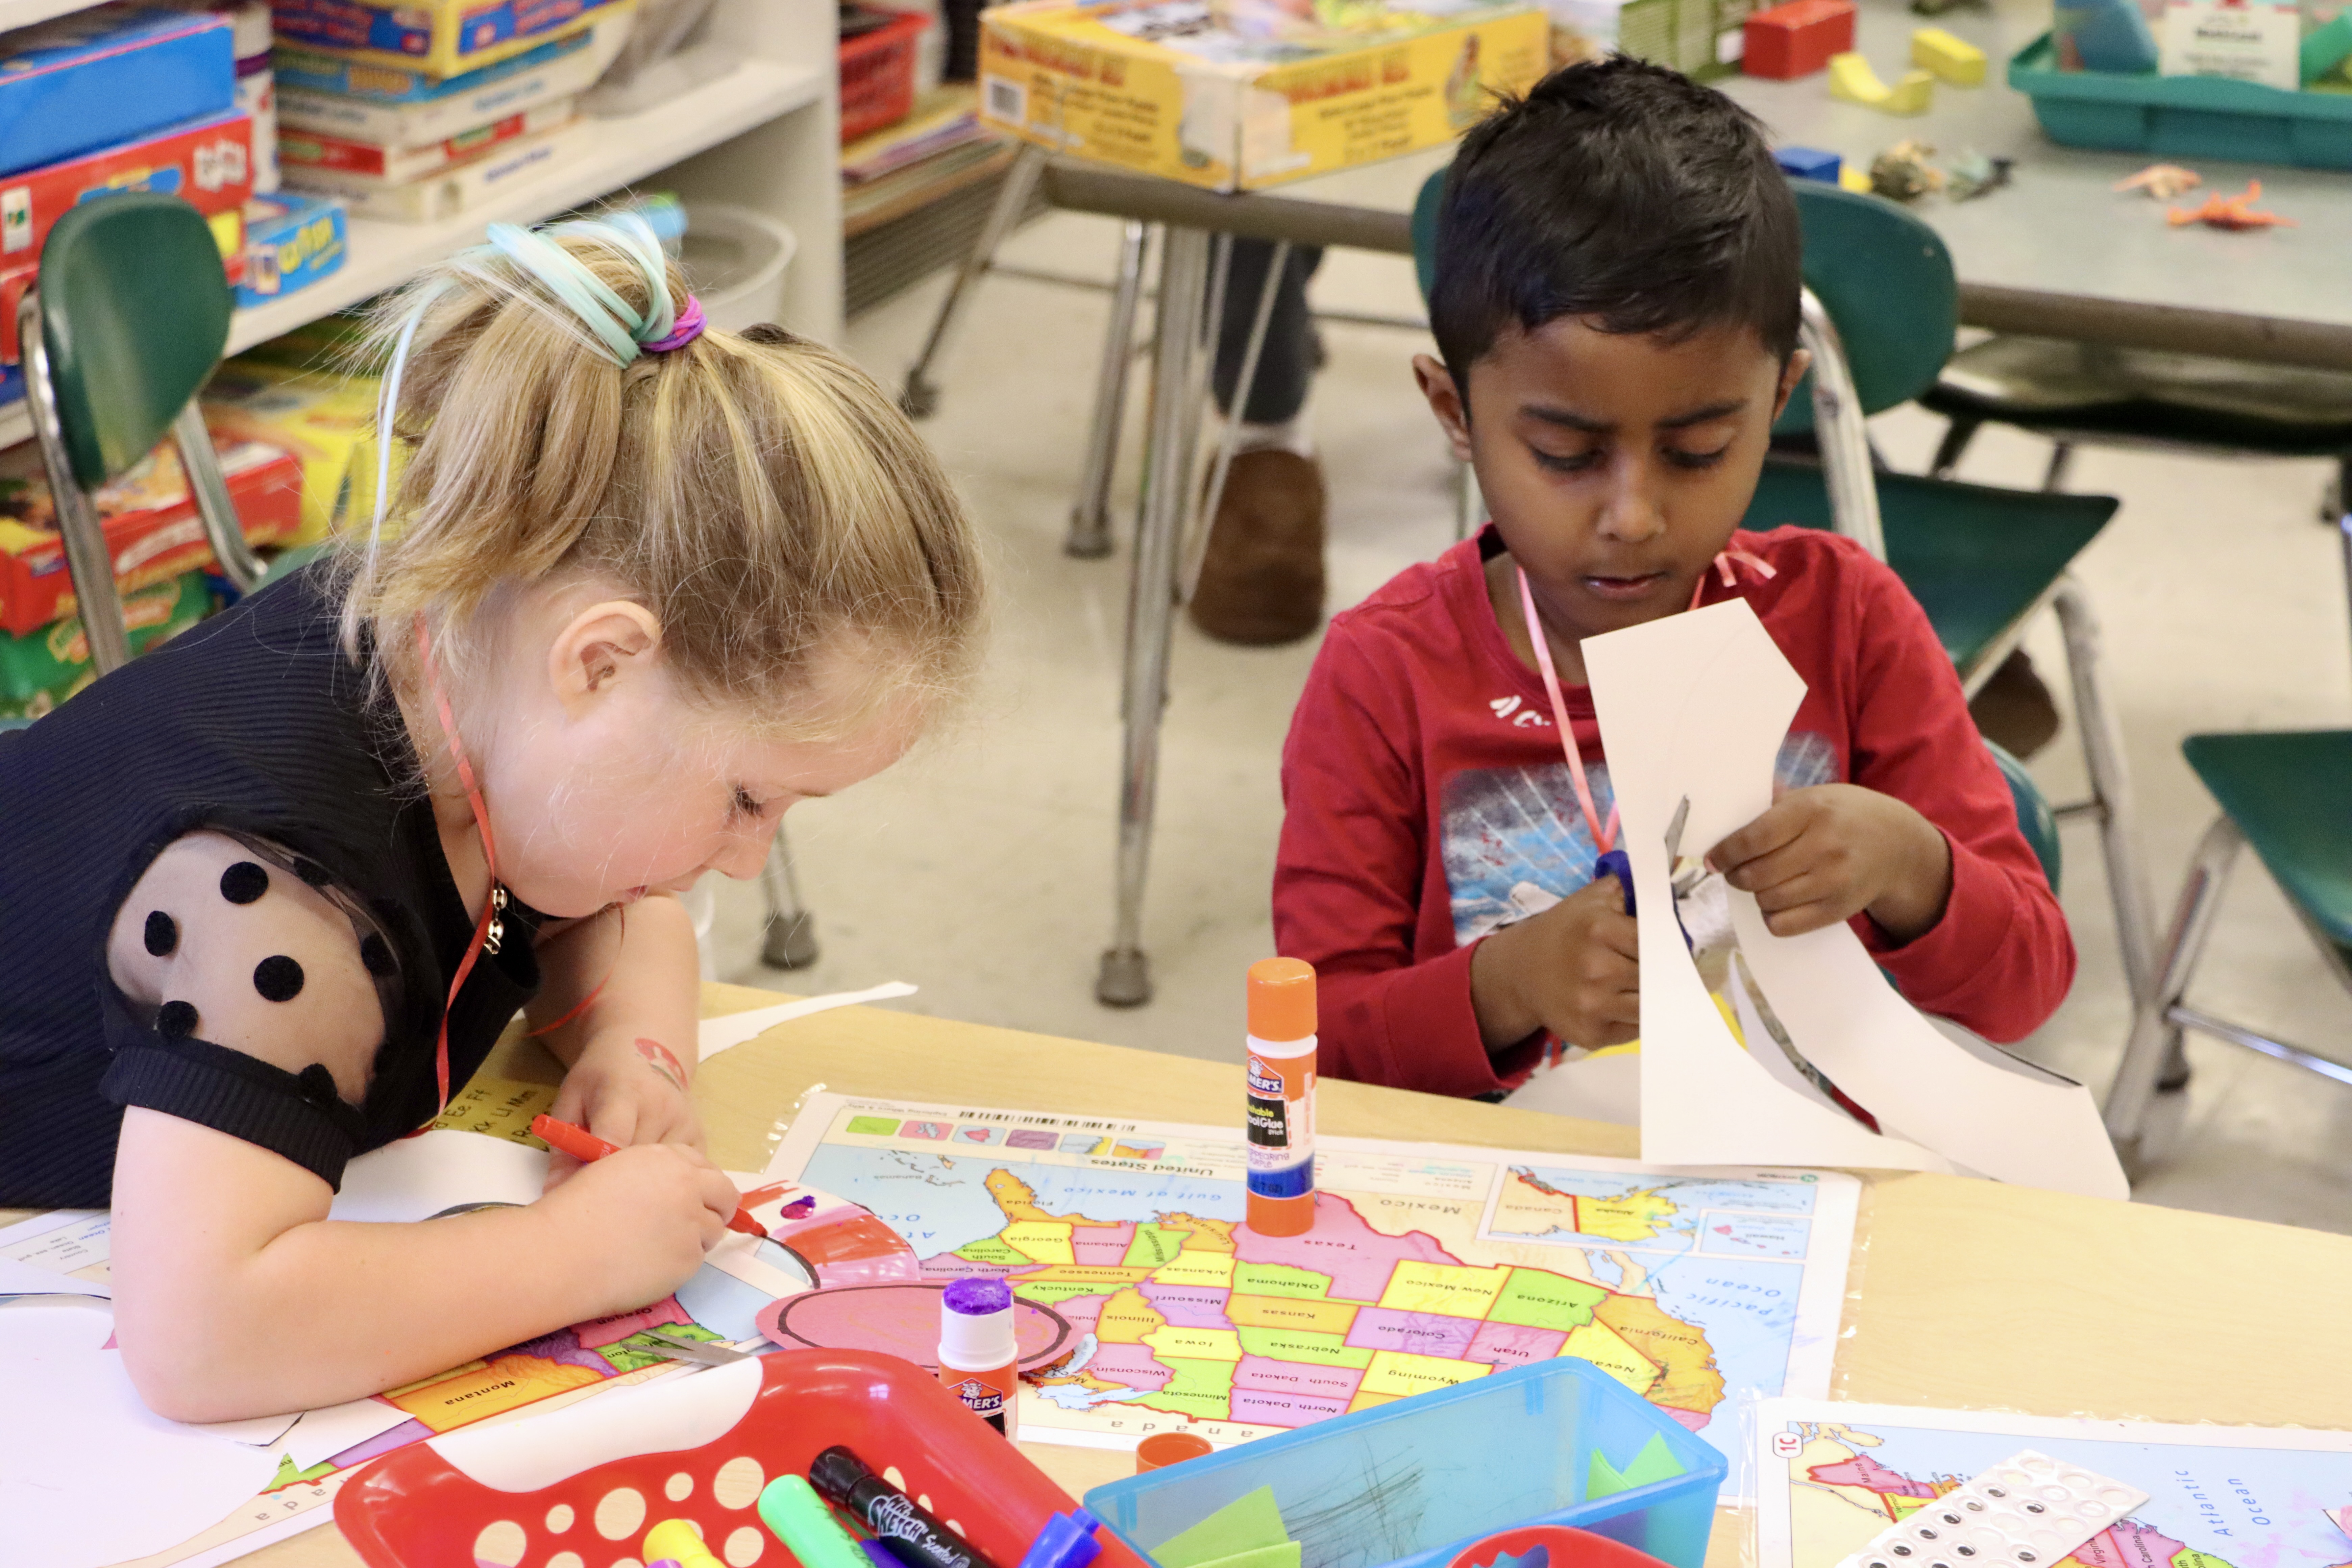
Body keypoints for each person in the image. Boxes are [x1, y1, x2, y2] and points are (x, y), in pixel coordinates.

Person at [0, 216, 983, 1420]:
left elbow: (620, 912)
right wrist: (577, 1256)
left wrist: (638, 1046)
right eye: (746, 797)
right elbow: (203, 1338)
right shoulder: (274, 901)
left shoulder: (466, 664)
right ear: (603, 664)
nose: (747, 854)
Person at [1271, 59, 2073, 1098]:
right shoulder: (1387, 676)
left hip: (1801, 1202)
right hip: (1506, 1220)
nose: (1634, 517)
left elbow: (2029, 989)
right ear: (1454, 412)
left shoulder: (1847, 620)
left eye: (1697, 450)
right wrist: (1504, 985)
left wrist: (1912, 863)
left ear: (1778, 397)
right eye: (1565, 455)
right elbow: (1312, 1052)